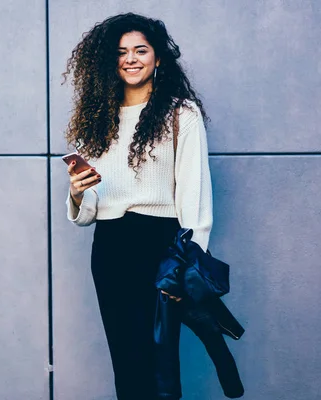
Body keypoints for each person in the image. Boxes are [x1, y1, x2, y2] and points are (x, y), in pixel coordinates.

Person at [62, 13, 243, 400]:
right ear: (109, 61)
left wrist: (186, 264)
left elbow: (195, 198)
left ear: (158, 58)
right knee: (126, 360)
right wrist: (78, 192)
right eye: (121, 52)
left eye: (140, 50)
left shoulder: (181, 114)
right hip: (110, 247)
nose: (131, 58)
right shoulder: (97, 122)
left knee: (160, 363)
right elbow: (89, 210)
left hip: (161, 248)